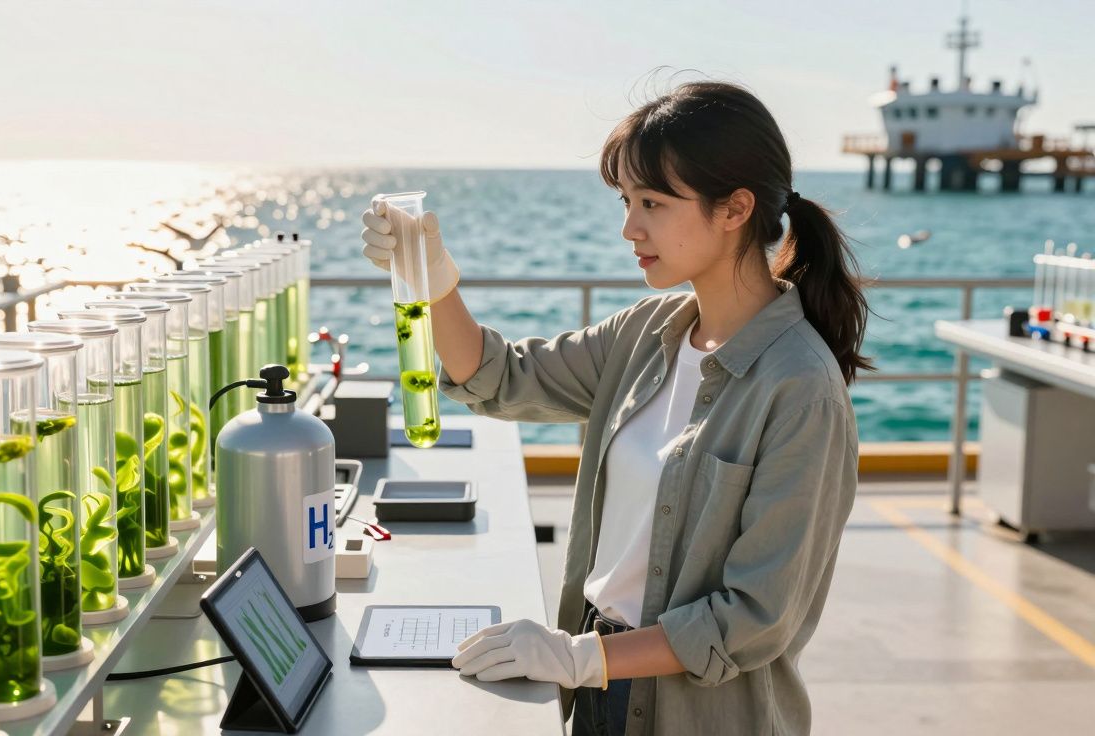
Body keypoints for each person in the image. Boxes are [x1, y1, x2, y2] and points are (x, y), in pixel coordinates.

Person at [360, 80, 866, 735]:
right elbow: (500, 377)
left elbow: (754, 617)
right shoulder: (645, 333)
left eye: (652, 202)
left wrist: (579, 656)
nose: (630, 227)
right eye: (627, 200)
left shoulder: (801, 387)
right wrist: (435, 282)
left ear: (736, 208)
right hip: (598, 691)